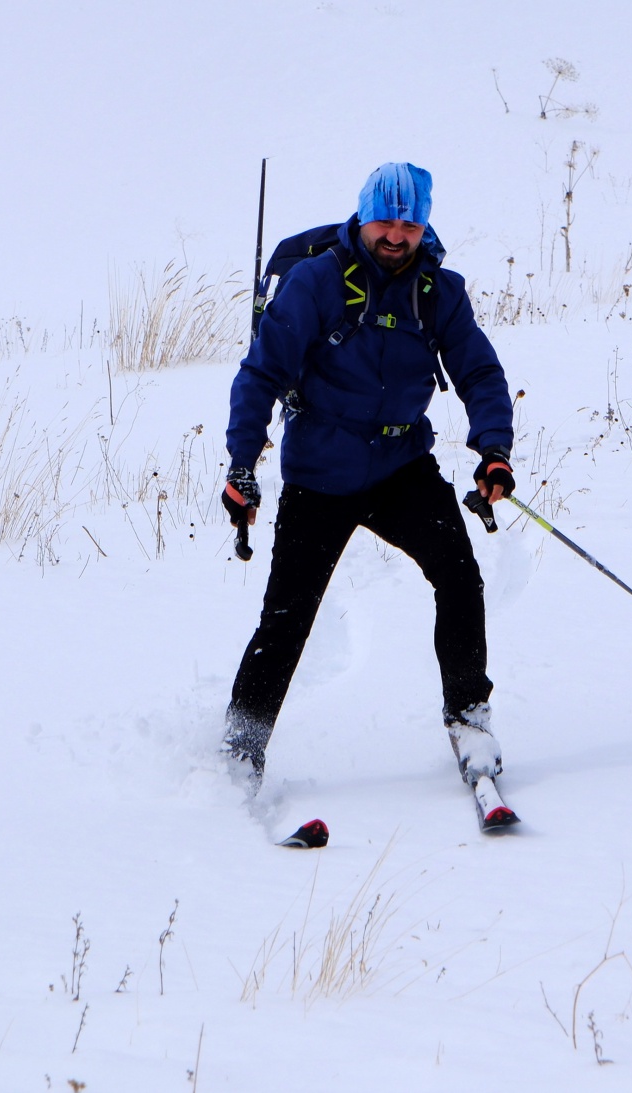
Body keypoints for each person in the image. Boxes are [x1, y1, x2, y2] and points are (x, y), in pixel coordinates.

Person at [219, 162, 516, 795]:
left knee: (459, 576)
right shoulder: (315, 282)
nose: (396, 234)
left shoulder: (439, 291)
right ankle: (240, 751)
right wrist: (242, 465)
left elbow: (480, 374)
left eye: (410, 223)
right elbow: (260, 374)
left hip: (401, 466)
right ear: (363, 215)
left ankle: (469, 719)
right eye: (386, 219)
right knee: (288, 616)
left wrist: (494, 449)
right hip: (319, 472)